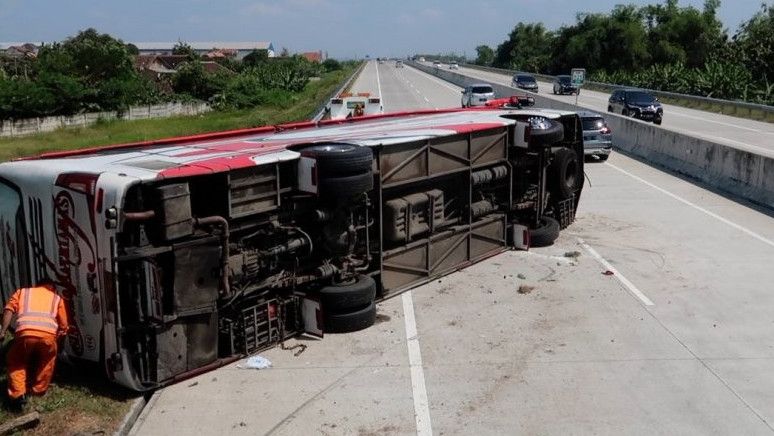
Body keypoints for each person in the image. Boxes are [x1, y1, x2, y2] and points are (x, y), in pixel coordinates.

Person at [1, 278, 68, 411]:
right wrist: (57, 342)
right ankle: (38, 390)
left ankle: (18, 394)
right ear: (52, 287)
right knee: (47, 361)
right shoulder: (57, 299)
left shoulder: (22, 292)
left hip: (24, 334)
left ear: (37, 286)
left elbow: (8, 309)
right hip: (47, 337)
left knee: (16, 362)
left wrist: (3, 331)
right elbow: (64, 326)